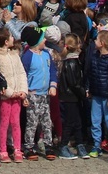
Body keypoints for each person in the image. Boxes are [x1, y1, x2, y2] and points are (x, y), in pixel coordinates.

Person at [20, 26, 57, 160]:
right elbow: (23, 75)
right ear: (36, 42)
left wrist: (53, 85)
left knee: (47, 121)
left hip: (45, 94)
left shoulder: (47, 54)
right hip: (33, 94)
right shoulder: (28, 56)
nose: (45, 40)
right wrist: (24, 93)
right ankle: (29, 146)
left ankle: (48, 145)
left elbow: (52, 70)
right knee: (32, 122)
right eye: (42, 38)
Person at [86, 29, 108, 159]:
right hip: (96, 94)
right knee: (95, 121)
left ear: (103, 43)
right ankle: (96, 146)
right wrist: (89, 88)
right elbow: (90, 74)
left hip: (107, 96)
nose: (94, 41)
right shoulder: (94, 56)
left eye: (97, 39)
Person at [56, 32, 86, 160]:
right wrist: (83, 93)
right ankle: (63, 146)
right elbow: (74, 83)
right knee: (70, 122)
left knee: (77, 121)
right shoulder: (71, 62)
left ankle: (79, 144)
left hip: (73, 96)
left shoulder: (74, 60)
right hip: (70, 96)